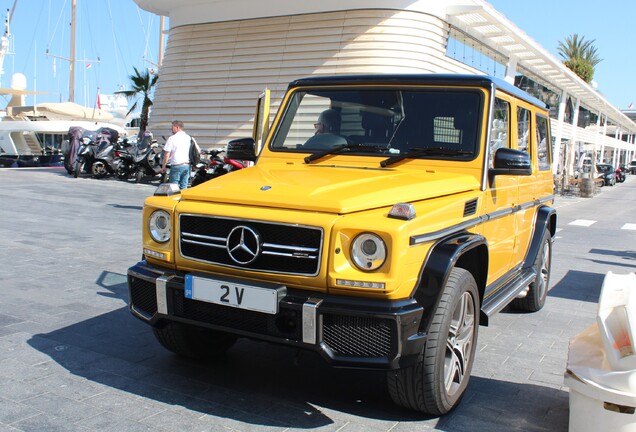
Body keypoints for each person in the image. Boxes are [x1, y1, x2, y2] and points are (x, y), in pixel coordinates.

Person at [161, 120, 192, 189]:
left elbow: (167, 154)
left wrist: (163, 166)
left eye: (172, 127)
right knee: (184, 186)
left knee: (173, 186)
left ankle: (174, 199)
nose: (171, 129)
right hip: (187, 165)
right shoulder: (188, 137)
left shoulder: (172, 138)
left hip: (177, 165)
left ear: (177, 127)